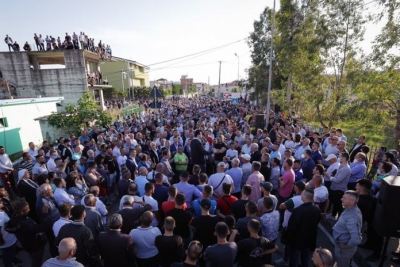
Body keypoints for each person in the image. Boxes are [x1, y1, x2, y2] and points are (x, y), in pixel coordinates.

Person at [5, 201, 50, 267]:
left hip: (28, 244)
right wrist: (45, 214)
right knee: (37, 262)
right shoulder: (25, 223)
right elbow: (42, 228)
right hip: (35, 246)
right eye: (27, 209)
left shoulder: (14, 218)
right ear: (22, 211)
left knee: (35, 259)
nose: (29, 210)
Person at [285, 188, 322, 267]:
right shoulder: (317, 208)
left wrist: (287, 239)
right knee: (305, 258)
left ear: (305, 197)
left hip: (296, 241)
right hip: (309, 239)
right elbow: (317, 221)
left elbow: (292, 227)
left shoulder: (298, 211)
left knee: (294, 260)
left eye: (302, 194)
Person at [332, 190, 362, 267]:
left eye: (344, 198)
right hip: (342, 248)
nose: (341, 199)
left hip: (343, 250)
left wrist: (345, 247)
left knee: (342, 264)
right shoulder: (350, 209)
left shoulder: (352, 217)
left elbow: (356, 239)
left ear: (352, 202)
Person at [327, 152, 351, 218]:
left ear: (344, 158)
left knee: (338, 205)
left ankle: (340, 218)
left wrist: (329, 177)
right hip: (335, 188)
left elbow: (338, 180)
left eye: (340, 157)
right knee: (335, 203)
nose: (338, 158)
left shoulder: (345, 168)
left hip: (339, 189)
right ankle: (333, 215)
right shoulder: (341, 166)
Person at [0, 198, 17, 267]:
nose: (2, 202)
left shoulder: (1, 211)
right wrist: (1, 241)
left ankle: (14, 260)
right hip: (6, 241)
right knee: (7, 256)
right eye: (0, 201)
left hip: (10, 237)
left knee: (11, 252)